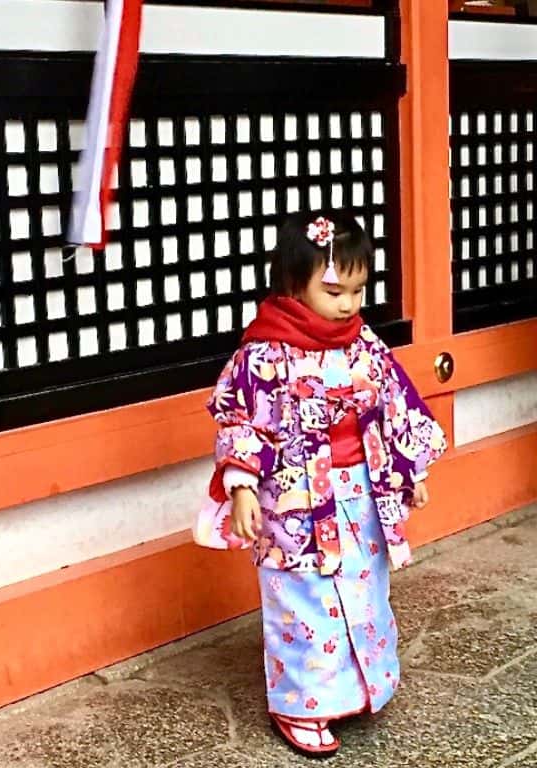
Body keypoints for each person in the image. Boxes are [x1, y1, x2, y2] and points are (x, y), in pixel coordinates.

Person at [194, 209, 447, 757]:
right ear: (292, 284)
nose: (349, 304)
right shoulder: (262, 353)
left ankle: (359, 688)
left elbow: (394, 404)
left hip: (361, 492)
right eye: (334, 290)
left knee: (363, 590)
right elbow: (243, 420)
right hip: (295, 503)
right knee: (304, 600)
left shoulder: (364, 345)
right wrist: (241, 486)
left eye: (358, 290)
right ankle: (302, 704)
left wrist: (411, 470)